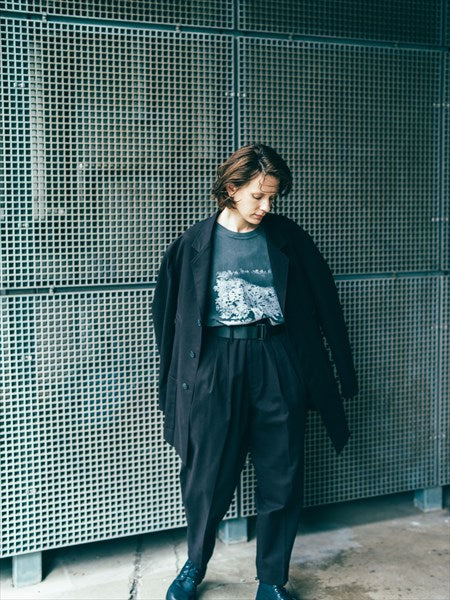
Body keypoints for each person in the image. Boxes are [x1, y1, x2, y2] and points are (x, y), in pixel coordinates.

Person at [151, 143, 359, 600]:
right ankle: (194, 565)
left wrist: (342, 372)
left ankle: (272, 580)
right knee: (205, 476)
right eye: (258, 196)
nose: (267, 206)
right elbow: (166, 316)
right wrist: (176, 382)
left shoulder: (288, 238)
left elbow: (327, 302)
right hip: (215, 363)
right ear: (231, 189)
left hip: (277, 359)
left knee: (282, 473)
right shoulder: (193, 244)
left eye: (272, 197)